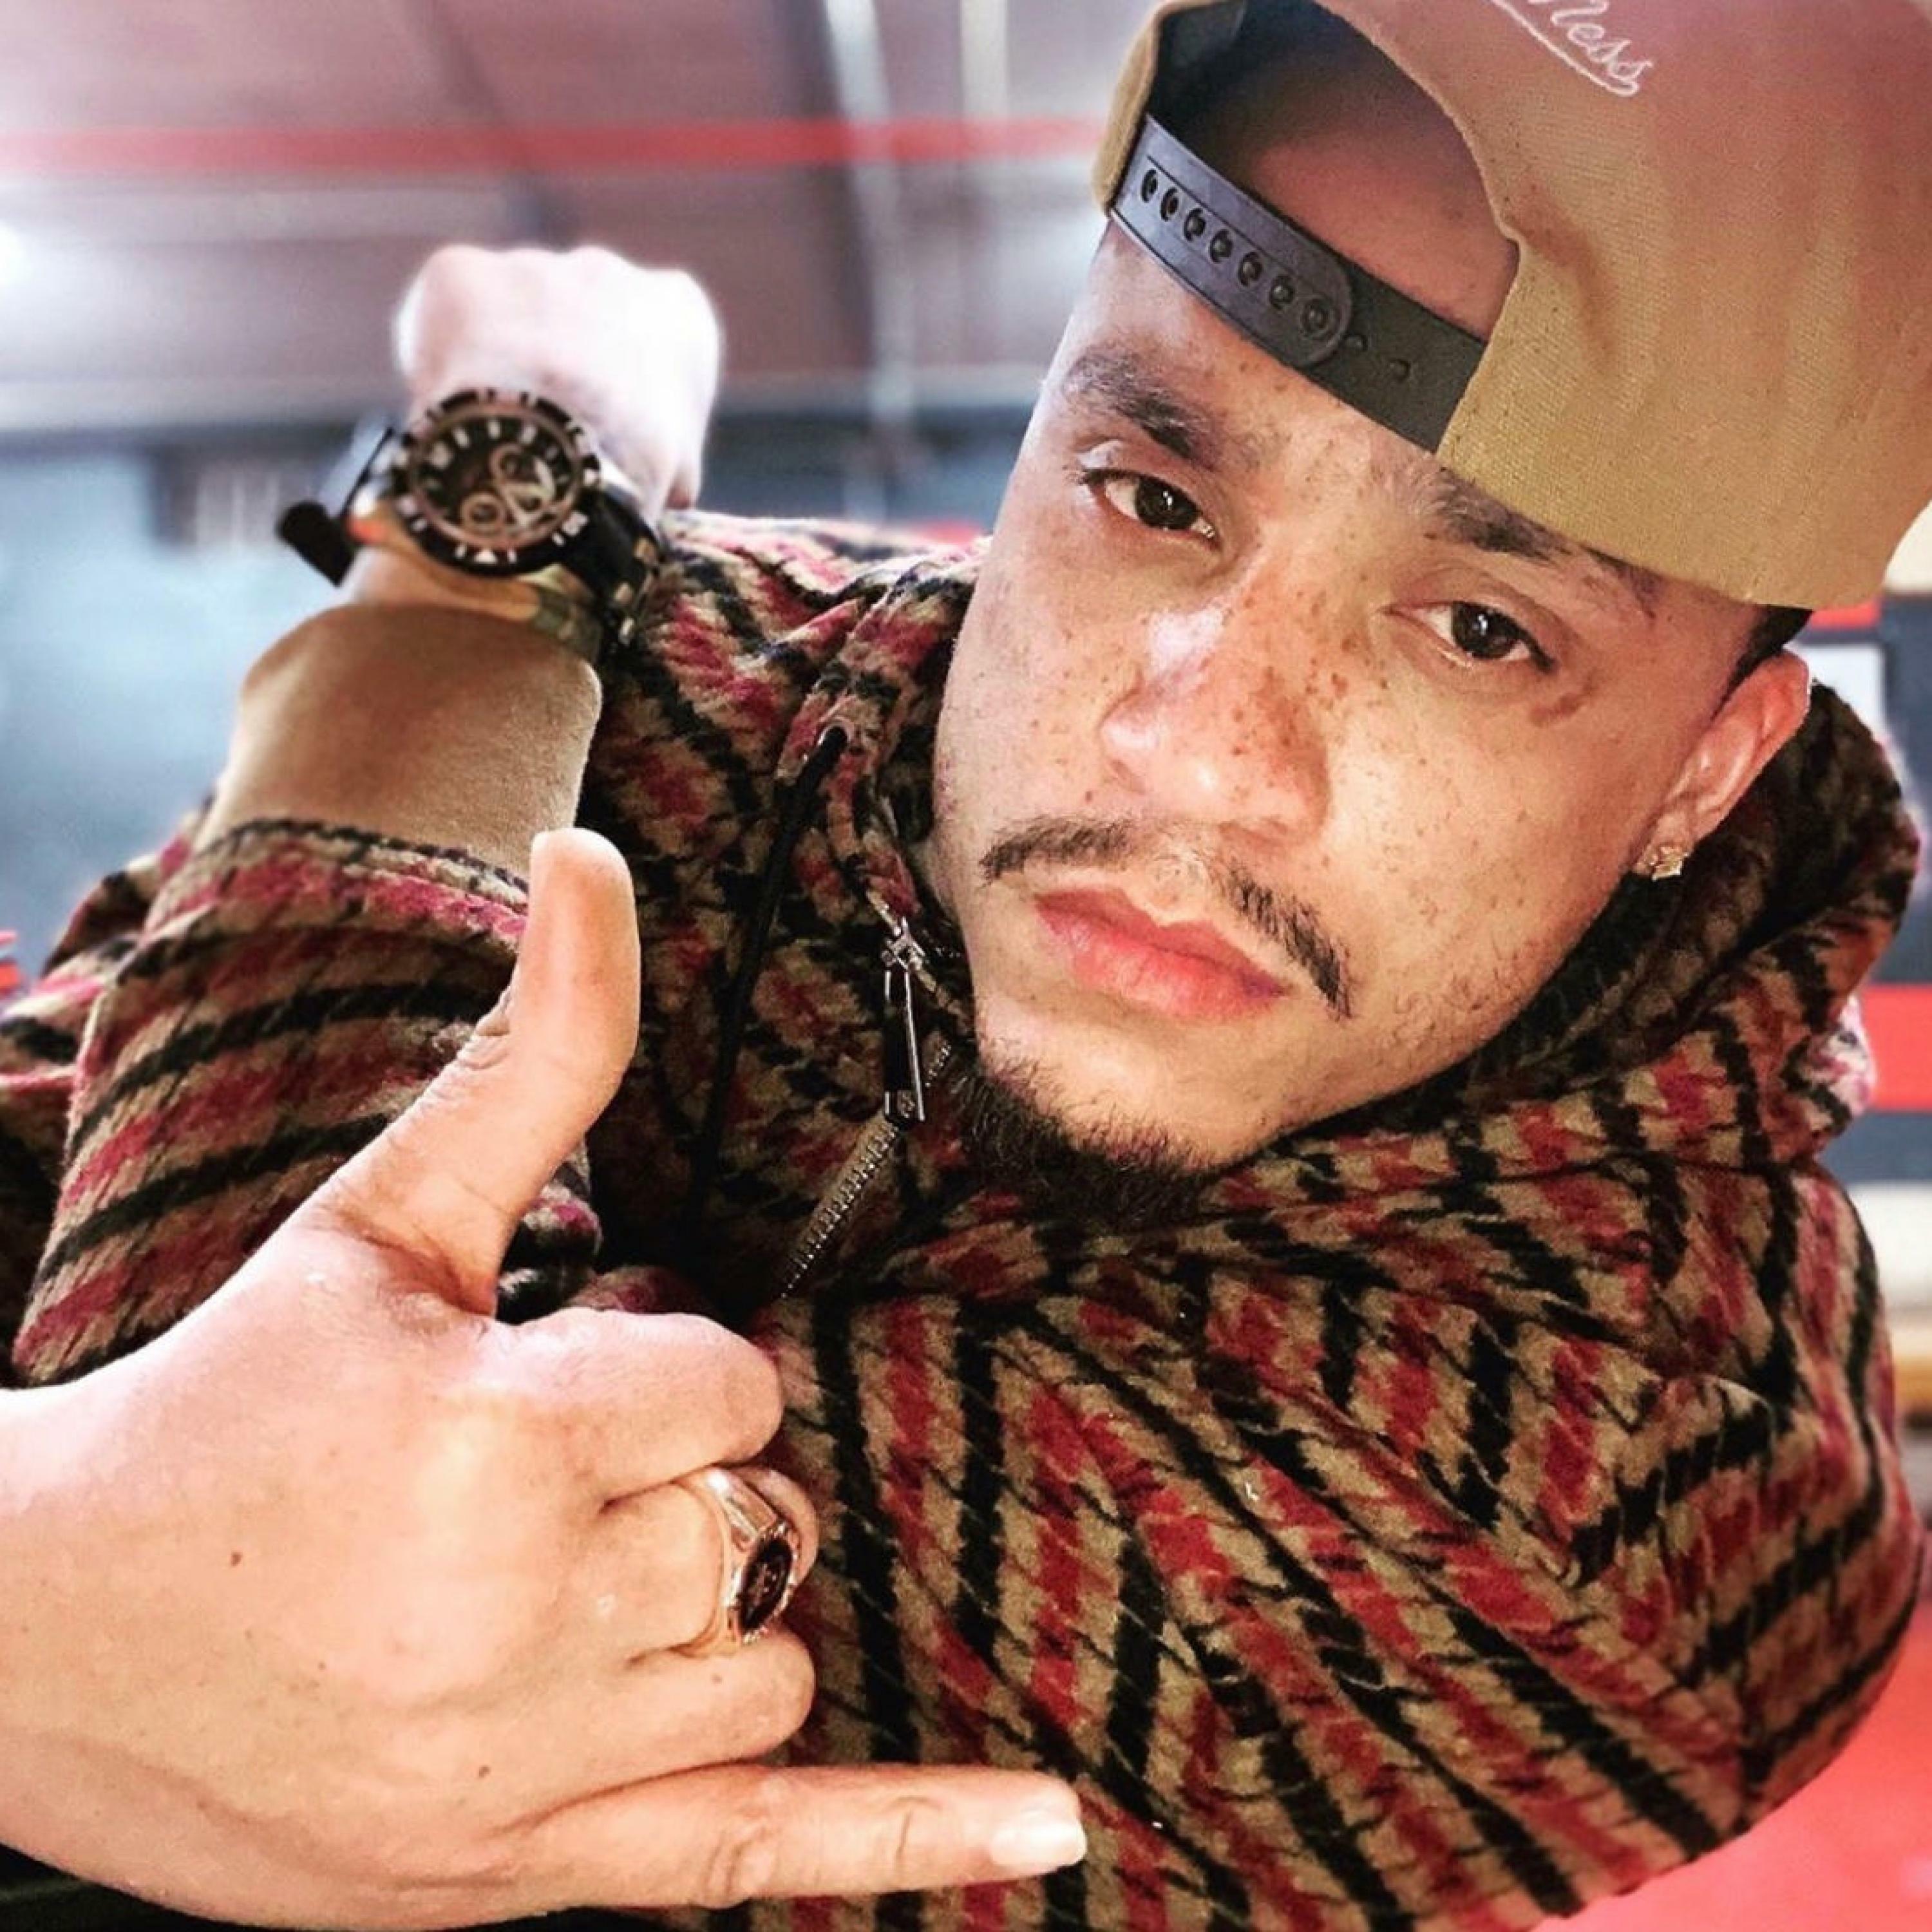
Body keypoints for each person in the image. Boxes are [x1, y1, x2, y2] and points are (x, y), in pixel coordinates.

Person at [3, 0, 1929, 1926]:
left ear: (1707, 766)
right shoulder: (692, 666)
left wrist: (469, 561)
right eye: (1154, 497)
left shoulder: (1655, 1484)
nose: (1193, 754)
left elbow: (254, 1580)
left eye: (1484, 632)